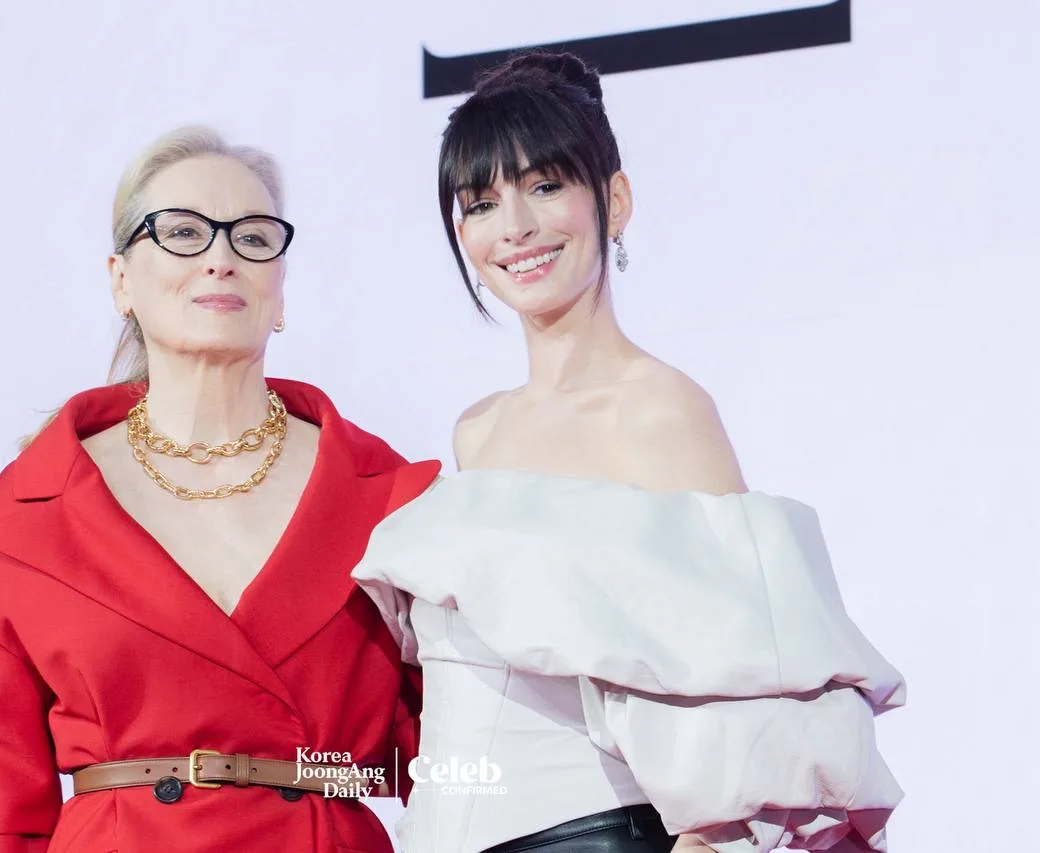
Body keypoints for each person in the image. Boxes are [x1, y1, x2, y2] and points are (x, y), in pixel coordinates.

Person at [352, 52, 905, 853]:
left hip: (593, 834)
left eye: (545, 186)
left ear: (614, 200)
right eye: (482, 203)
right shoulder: (479, 429)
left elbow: (746, 708)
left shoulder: (660, 412)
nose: (515, 227)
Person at [0, 125, 440, 853]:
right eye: (181, 233)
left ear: (281, 285)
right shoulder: (32, 509)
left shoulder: (385, 494)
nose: (220, 257)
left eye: (253, 237)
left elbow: (459, 756)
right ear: (121, 280)